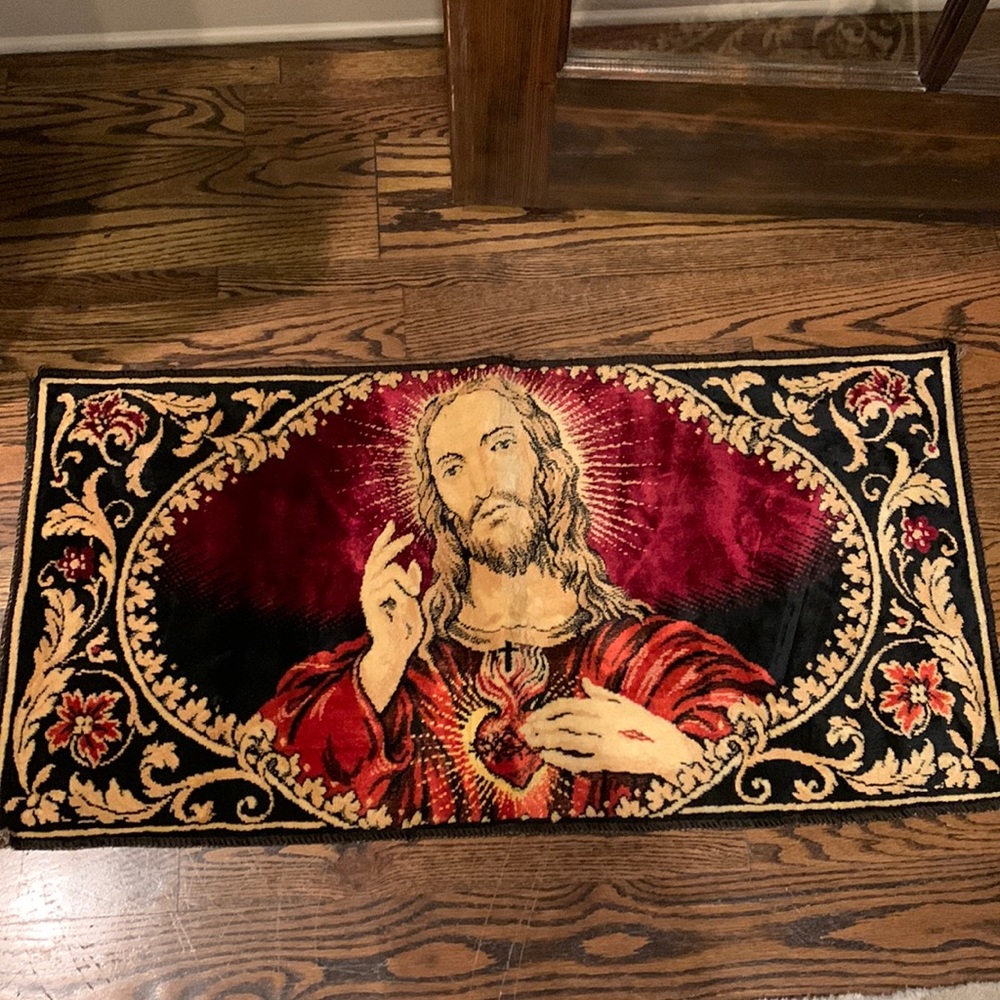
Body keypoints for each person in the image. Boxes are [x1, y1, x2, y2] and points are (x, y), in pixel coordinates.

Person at [258, 376, 774, 825]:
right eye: (453, 469)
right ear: (440, 503)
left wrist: (668, 754)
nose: (485, 484)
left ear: (546, 466)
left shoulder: (650, 659)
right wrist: (386, 658)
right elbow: (285, 770)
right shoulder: (407, 671)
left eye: (501, 446)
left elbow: (762, 759)